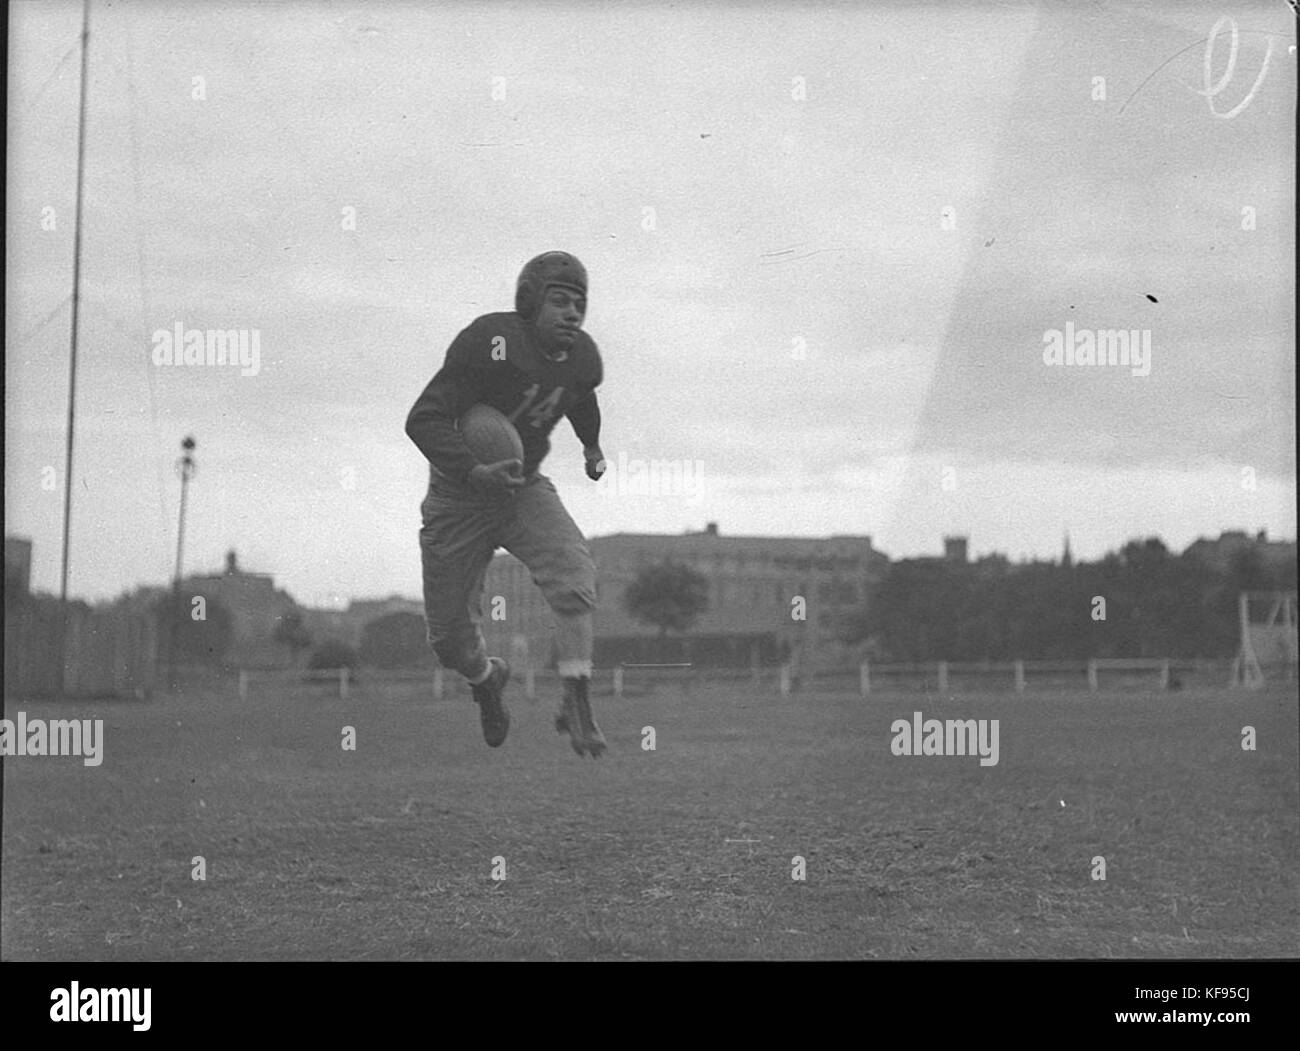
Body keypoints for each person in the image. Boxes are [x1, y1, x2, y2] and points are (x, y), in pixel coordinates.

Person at [405, 251, 608, 757]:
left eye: (578, 305)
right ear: (529, 303)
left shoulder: (582, 358)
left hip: (521, 487)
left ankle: (577, 701)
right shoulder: (491, 343)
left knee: (574, 573)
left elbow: (581, 397)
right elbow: (423, 418)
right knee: (450, 639)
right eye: (559, 301)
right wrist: (473, 469)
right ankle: (485, 679)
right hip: (461, 494)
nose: (571, 314)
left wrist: (591, 445)